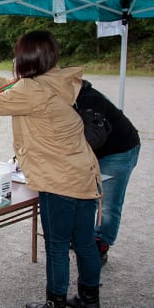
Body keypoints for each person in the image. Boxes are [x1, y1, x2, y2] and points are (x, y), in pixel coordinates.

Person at [0, 30, 102, 308]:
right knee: (84, 242)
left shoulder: (32, 89)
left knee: (57, 244)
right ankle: (89, 299)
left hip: (59, 180)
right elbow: (8, 86)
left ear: (25, 57)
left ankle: (55, 302)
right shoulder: (55, 79)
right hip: (83, 173)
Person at [75, 79, 140, 267]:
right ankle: (84, 239)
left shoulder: (88, 100)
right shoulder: (63, 98)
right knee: (86, 197)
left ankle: (100, 245)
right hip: (96, 152)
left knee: (108, 204)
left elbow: (93, 139)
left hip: (119, 151)